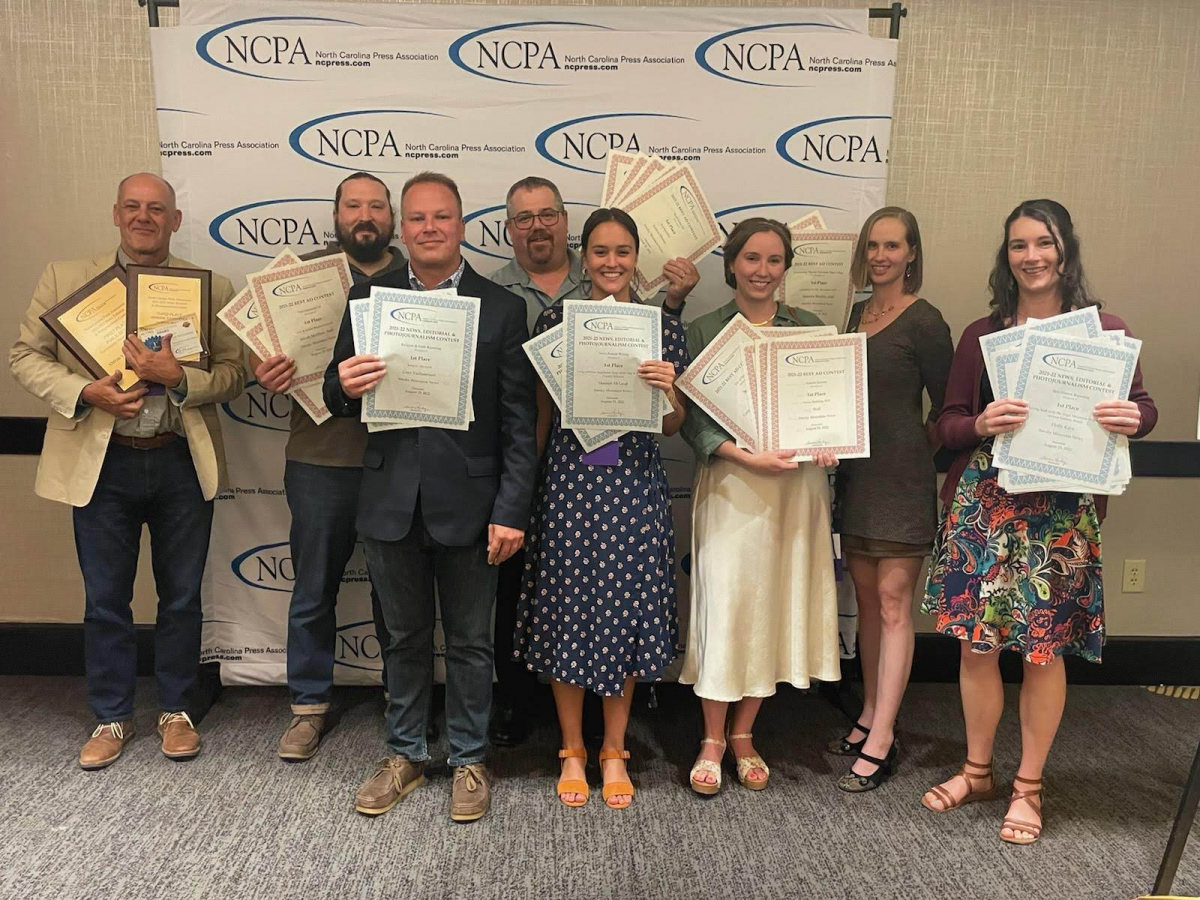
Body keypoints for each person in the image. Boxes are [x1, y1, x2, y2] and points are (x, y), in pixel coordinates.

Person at [919, 199, 1157, 844]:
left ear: (1064, 250)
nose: (1032, 256)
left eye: (1043, 243)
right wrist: (979, 424)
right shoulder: (982, 334)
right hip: (987, 508)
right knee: (977, 645)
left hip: (1060, 514)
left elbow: (1142, 406)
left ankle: (1028, 786)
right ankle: (976, 770)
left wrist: (1134, 418)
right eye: (1019, 245)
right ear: (1008, 256)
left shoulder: (1102, 332)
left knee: (1046, 652)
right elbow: (945, 423)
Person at [9, 172, 244, 768]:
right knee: (106, 599)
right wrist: (86, 390)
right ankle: (111, 717)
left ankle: (177, 711)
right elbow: (23, 357)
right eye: (134, 207)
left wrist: (180, 380)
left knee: (182, 596)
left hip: (178, 459)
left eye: (157, 209)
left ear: (175, 220)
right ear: (116, 214)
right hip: (102, 463)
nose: (145, 217)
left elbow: (234, 374)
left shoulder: (208, 287)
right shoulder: (66, 279)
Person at [323, 172, 537, 823]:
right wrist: (344, 383)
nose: (429, 228)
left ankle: (470, 757)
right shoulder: (370, 296)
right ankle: (406, 753)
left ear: (463, 225)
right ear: (402, 228)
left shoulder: (500, 308)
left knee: (472, 642)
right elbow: (336, 399)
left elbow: (519, 425)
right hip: (390, 499)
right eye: (417, 219)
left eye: (441, 217)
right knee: (404, 640)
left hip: (471, 508)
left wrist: (511, 509)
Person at [485, 175, 698, 746]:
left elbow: (674, 426)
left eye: (622, 252)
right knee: (565, 615)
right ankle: (573, 748)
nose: (611, 262)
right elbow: (538, 418)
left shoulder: (662, 328)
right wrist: (523, 492)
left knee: (624, 615)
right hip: (567, 486)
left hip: (634, 488)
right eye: (600, 251)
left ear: (636, 259)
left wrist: (666, 392)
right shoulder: (557, 323)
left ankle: (612, 750)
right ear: (585, 256)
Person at [678, 217, 840, 794]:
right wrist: (745, 457)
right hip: (732, 486)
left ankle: (745, 735)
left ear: (786, 266)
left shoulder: (812, 329)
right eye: (751, 259)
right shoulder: (701, 331)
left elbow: (831, 412)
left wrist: (830, 442)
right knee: (728, 606)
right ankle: (712, 738)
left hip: (796, 491)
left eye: (774, 260)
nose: (762, 271)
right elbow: (691, 423)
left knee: (770, 608)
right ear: (731, 265)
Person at [251, 172, 406, 761]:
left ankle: (404, 700)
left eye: (375, 206)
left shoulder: (418, 280)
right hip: (319, 459)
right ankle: (308, 707)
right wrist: (262, 370)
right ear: (336, 215)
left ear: (390, 217)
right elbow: (254, 358)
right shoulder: (301, 281)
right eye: (352, 206)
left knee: (398, 594)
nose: (364, 216)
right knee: (314, 588)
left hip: (398, 460)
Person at [829, 207, 953, 792]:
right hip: (854, 479)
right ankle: (870, 713)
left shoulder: (926, 322)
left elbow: (948, 411)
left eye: (893, 246)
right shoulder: (853, 317)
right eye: (873, 246)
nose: (881, 256)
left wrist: (910, 452)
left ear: (912, 255)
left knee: (895, 602)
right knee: (869, 604)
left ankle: (884, 736)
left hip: (902, 481)